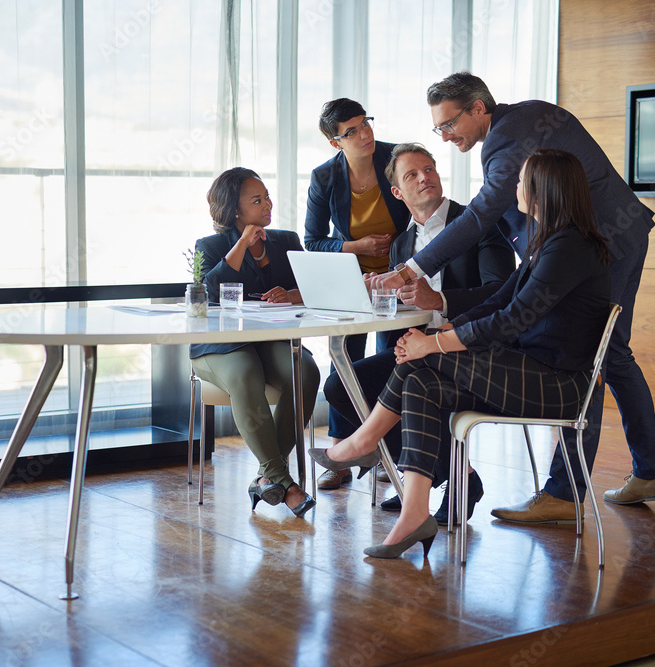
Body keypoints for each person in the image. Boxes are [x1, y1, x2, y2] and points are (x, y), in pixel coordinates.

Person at [372, 72, 655, 522]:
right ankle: (648, 471)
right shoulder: (515, 125)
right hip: (598, 240)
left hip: (610, 240)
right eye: (438, 128)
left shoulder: (510, 136)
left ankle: (566, 493)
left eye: (448, 123)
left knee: (598, 356)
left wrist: (412, 268)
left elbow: (479, 217)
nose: (445, 134)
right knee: (613, 354)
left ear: (478, 109)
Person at [311, 149, 612, 558]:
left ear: (545, 190)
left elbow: (511, 320)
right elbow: (501, 301)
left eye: (522, 181)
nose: (515, 188)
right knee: (420, 379)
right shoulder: (550, 243)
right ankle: (415, 511)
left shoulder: (569, 248)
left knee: (420, 359)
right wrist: (447, 328)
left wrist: (432, 342)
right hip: (532, 371)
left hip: (557, 384)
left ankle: (363, 440)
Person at [320, 142, 514, 520]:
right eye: (412, 174)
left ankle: (425, 480)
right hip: (422, 350)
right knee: (341, 385)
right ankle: (449, 475)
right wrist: (381, 295)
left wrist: (440, 300)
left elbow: (503, 292)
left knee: (411, 385)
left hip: (471, 347)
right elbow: (404, 312)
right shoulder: (402, 244)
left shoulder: (478, 224)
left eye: (429, 169)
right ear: (397, 192)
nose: (425, 177)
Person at [191, 167, 319, 517]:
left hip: (270, 341)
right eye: (257, 200)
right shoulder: (211, 246)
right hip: (219, 347)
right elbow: (209, 292)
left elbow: (314, 288)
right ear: (235, 211)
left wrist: (292, 295)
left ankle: (266, 478)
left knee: (305, 373)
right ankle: (282, 480)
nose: (268, 204)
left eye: (267, 196)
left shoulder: (287, 241)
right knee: (245, 372)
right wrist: (242, 244)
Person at [303, 98, 409, 491]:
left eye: (366, 124)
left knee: (391, 360)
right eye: (352, 131)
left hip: (400, 279)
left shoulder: (395, 158)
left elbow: (422, 212)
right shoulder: (325, 178)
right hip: (352, 281)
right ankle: (339, 454)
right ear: (335, 142)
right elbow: (312, 241)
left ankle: (388, 453)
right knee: (344, 361)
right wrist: (357, 246)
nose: (365, 134)